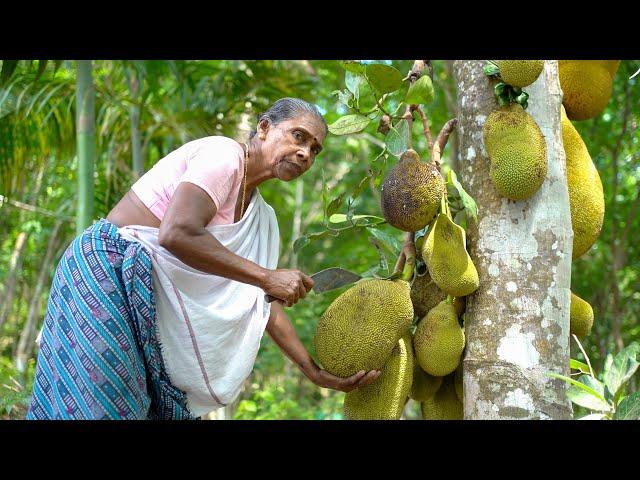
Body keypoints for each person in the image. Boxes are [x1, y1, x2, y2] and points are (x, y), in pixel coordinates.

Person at [26, 97, 381, 420]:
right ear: (264, 127)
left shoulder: (264, 219)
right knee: (99, 406)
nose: (305, 153)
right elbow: (176, 232)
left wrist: (313, 371)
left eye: (315, 149)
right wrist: (267, 277)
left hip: (145, 302)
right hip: (108, 273)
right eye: (298, 136)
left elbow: (259, 303)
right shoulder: (223, 155)